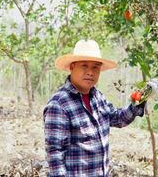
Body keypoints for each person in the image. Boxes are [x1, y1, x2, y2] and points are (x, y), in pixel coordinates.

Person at [43, 39, 149, 177]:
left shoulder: (97, 97)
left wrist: (138, 102)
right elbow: (55, 154)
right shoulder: (59, 105)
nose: (90, 72)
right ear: (72, 67)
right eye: (84, 66)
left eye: (95, 67)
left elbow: (118, 119)